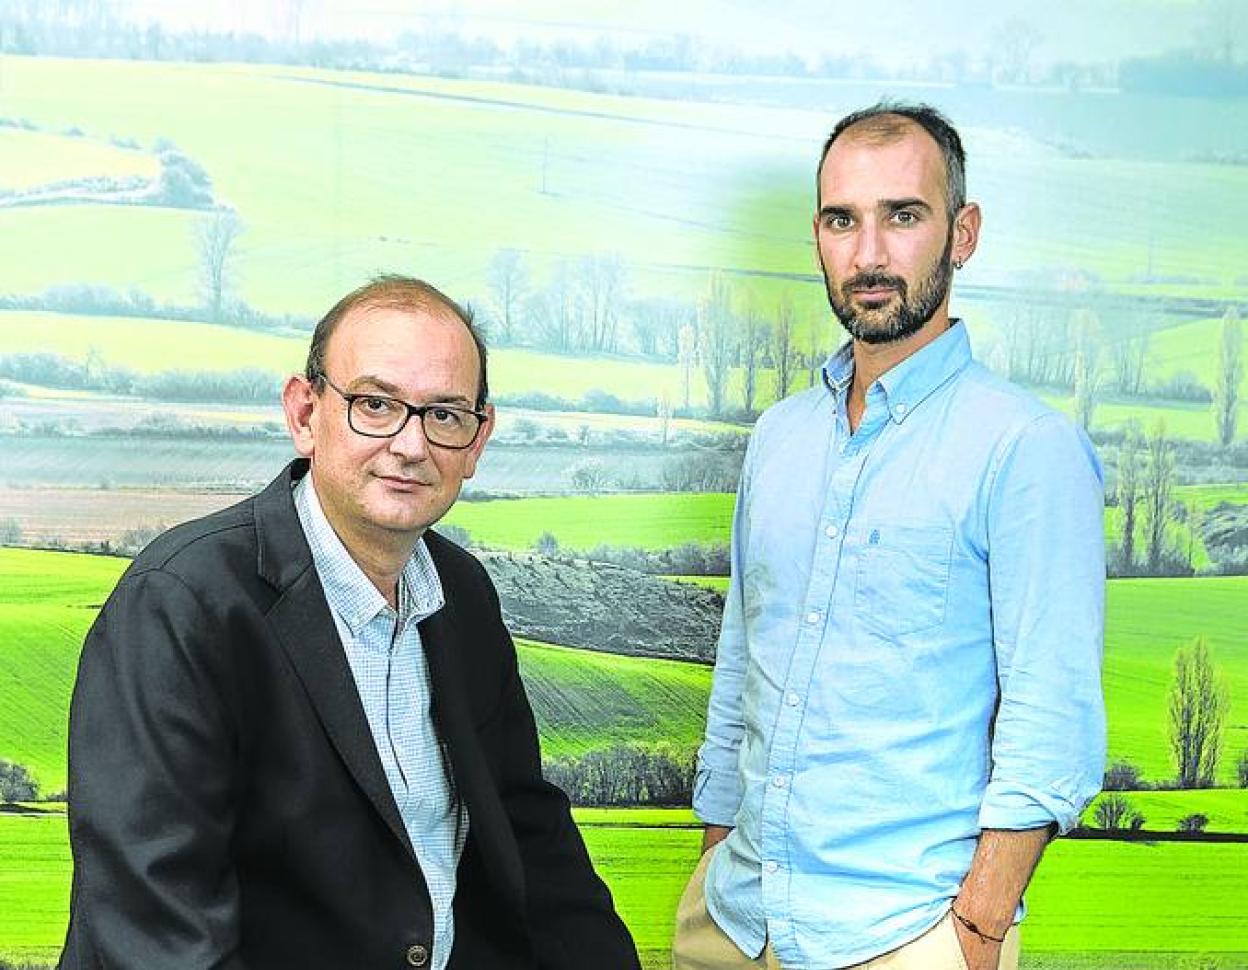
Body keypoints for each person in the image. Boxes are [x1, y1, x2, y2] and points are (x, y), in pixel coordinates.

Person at [60, 276, 641, 970]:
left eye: (444, 414)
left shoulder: (462, 595)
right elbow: (157, 923)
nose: (410, 444)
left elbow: (532, 842)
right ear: (305, 413)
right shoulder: (183, 604)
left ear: (478, 441)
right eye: (376, 404)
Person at [674, 103, 1106, 970]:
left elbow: (1050, 719)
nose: (869, 255)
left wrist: (978, 929)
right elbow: (741, 663)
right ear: (819, 236)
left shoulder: (1026, 448)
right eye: (843, 220)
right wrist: (716, 852)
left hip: (906, 937)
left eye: (903, 215)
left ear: (963, 232)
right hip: (734, 921)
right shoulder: (779, 438)